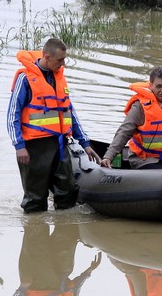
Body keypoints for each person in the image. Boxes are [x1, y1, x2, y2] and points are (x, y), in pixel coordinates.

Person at [7, 37, 102, 213]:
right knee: (35, 200)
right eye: (60, 59)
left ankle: (65, 233)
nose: (63, 63)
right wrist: (19, 146)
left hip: (60, 144)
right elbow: (13, 115)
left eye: (64, 59)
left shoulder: (59, 78)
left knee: (68, 192)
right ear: (47, 56)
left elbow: (70, 113)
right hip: (34, 148)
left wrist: (85, 143)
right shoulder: (25, 79)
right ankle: (35, 232)